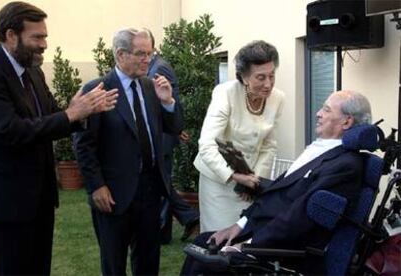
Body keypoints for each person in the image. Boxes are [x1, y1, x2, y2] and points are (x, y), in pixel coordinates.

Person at [0, 2, 118, 275]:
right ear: (11, 36)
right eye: (37, 37)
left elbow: (53, 118)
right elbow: (11, 130)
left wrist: (83, 112)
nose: (45, 44)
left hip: (41, 199)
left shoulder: (34, 72)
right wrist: (71, 115)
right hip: (8, 203)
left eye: (45, 36)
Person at [181, 90, 372, 275]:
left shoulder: (346, 166)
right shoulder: (321, 150)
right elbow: (275, 194)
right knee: (204, 242)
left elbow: (300, 217)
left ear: (347, 121)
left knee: (206, 258)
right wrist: (239, 225)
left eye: (327, 110)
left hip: (286, 251)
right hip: (266, 233)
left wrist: (250, 245)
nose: (318, 113)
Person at [73, 28, 183, 275]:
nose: (148, 59)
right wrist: (96, 186)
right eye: (141, 54)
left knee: (148, 261)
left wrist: (168, 102)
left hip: (150, 190)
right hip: (113, 194)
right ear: (120, 54)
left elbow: (174, 127)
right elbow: (83, 144)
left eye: (150, 53)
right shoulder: (98, 89)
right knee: (114, 263)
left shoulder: (150, 87)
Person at [194, 40, 285, 232]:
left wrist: (255, 182)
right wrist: (233, 176)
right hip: (219, 181)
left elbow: (269, 146)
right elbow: (207, 145)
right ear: (244, 77)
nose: (268, 84)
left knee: (244, 236)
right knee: (216, 237)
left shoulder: (278, 98)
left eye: (271, 76)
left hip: (249, 184)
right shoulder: (225, 93)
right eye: (260, 77)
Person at [147, 29, 199, 244]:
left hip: (163, 138)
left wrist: (176, 129)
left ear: (152, 47)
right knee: (162, 183)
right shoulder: (155, 66)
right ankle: (185, 220)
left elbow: (169, 101)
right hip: (162, 136)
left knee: (163, 183)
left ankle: (181, 222)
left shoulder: (160, 68)